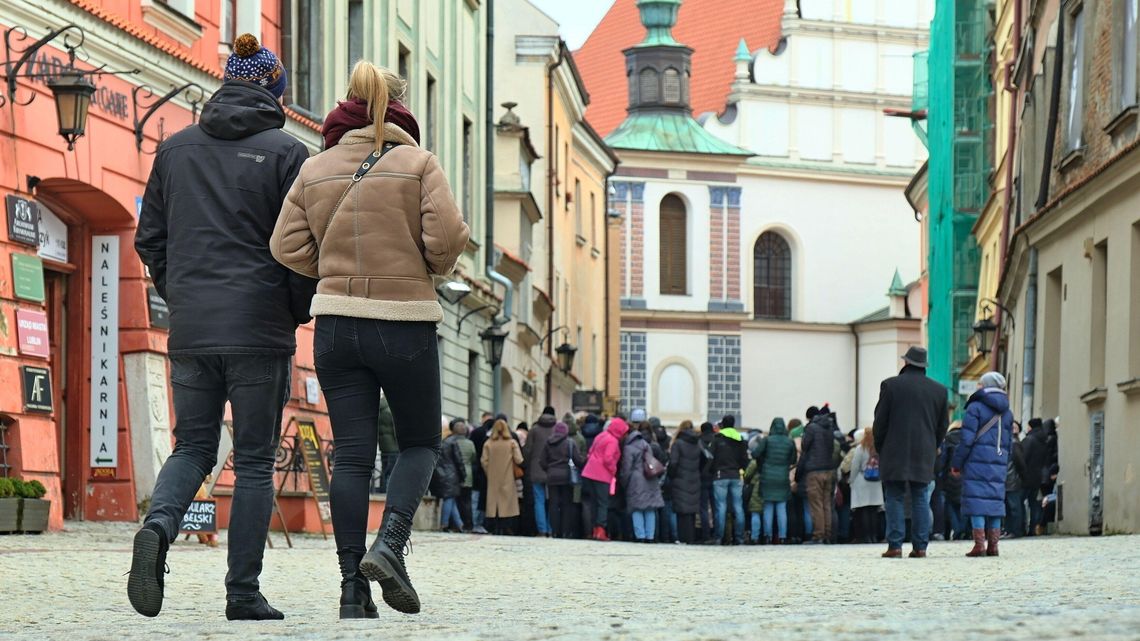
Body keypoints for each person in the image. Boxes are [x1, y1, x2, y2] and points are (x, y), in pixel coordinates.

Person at [270, 60, 468, 616]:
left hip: (335, 323)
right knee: (420, 442)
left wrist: (330, 267)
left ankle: (351, 591)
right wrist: (426, 263)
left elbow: (284, 246)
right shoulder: (418, 163)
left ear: (346, 105)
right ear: (399, 107)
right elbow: (448, 238)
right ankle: (390, 544)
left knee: (352, 456)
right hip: (403, 321)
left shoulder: (315, 167)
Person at [130, 33, 315, 621]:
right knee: (256, 459)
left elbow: (149, 238)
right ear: (273, 91)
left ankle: (158, 526)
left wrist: (180, 293)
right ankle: (242, 594)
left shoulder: (175, 149)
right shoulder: (289, 154)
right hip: (260, 329)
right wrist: (293, 305)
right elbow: (300, 248)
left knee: (193, 446)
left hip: (192, 326)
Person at [873, 346, 949, 559]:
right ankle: (920, 547)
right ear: (924, 366)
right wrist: (933, 445)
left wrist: (881, 447)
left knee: (894, 497)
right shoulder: (939, 390)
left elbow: (880, 422)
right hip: (924, 451)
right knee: (920, 497)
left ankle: (895, 545)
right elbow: (943, 425)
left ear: (906, 363)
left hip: (894, 450)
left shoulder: (890, 386)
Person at [951, 372, 1014, 557]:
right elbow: (1010, 442)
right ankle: (993, 545)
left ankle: (979, 544)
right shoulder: (1007, 412)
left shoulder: (975, 407)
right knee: (994, 500)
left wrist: (957, 462)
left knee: (976, 499)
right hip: (998, 460)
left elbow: (967, 439)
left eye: (980, 383)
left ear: (986, 386)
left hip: (976, 460)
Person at [581, 418, 630, 541]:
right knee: (603, 503)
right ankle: (601, 531)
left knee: (593, 503)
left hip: (589, 472)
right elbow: (608, 459)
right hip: (602, 475)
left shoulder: (601, 436)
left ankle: (594, 530)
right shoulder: (613, 441)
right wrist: (613, 470)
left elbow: (590, 452)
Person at [752, 418, 797, 545]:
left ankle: (768, 536)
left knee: (768, 507)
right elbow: (793, 459)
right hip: (782, 477)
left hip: (767, 476)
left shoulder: (767, 440)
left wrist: (763, 461)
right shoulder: (789, 442)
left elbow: (755, 454)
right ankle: (782, 536)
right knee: (782, 508)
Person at [620, 424, 666, 542]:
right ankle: (650, 536)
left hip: (636, 480)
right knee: (650, 508)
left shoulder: (629, 447)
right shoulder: (646, 444)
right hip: (650, 478)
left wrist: (624, 483)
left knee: (637, 508)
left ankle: (640, 535)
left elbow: (626, 468)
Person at [540, 421, 586, 538]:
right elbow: (578, 461)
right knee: (567, 505)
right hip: (567, 477)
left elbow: (542, 461)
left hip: (552, 476)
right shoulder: (570, 443)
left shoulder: (548, 443)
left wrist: (549, 469)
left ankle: (555, 531)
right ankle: (565, 531)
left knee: (553, 505)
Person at [708, 415, 749, 545]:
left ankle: (719, 537)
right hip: (736, 475)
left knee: (721, 507)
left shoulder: (717, 439)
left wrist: (711, 471)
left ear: (722, 425)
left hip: (720, 476)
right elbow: (745, 459)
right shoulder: (740, 439)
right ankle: (739, 538)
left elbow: (711, 457)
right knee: (738, 507)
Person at [801, 407, 838, 544]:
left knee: (816, 504)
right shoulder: (830, 426)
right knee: (827, 503)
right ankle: (827, 535)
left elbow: (805, 446)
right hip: (829, 469)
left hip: (814, 470)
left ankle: (818, 535)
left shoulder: (811, 428)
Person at [481, 419, 524, 535]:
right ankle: (506, 527)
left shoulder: (488, 444)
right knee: (507, 503)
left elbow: (484, 461)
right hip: (508, 476)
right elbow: (519, 459)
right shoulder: (512, 443)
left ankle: (495, 527)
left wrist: (489, 473)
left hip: (493, 478)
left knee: (494, 502)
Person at [523, 407, 558, 537]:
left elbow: (527, 451)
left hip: (536, 469)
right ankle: (550, 529)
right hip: (553, 469)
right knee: (552, 501)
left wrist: (526, 465)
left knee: (539, 500)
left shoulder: (534, 430)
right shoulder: (557, 429)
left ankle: (542, 530)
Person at [669, 421, 703, 544]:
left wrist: (671, 476)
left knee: (682, 511)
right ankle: (690, 538)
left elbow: (673, 463)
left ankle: (683, 538)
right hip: (694, 478)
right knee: (691, 511)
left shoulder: (678, 443)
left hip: (680, 479)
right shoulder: (697, 443)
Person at [849, 427, 883, 544]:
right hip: (876, 482)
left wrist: (851, 480)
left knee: (863, 510)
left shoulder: (860, 448)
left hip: (862, 481)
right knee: (873, 511)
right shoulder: (878, 448)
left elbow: (855, 466)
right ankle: (874, 536)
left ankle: (866, 536)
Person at [435, 420, 467, 532]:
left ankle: (460, 525)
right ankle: (444, 524)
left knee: (451, 499)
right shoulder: (453, 443)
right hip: (452, 474)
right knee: (449, 499)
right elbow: (459, 461)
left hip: (442, 474)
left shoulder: (441, 443)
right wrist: (464, 475)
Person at [935, 421, 965, 540]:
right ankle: (962, 530)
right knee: (963, 505)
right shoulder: (968, 440)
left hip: (949, 476)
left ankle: (957, 530)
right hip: (964, 475)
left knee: (950, 505)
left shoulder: (947, 440)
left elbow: (942, 460)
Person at [1020, 418, 1049, 535]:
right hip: (1038, 476)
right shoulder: (1044, 440)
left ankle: (1021, 527)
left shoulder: (1029, 439)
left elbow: (1023, 458)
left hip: (1026, 476)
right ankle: (1033, 528)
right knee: (1034, 503)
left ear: (1030, 427)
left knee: (1019, 502)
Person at [469, 417, 494, 534]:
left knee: (475, 498)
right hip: (483, 472)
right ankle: (478, 523)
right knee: (480, 499)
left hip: (474, 470)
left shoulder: (476, 432)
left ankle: (474, 523)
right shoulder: (487, 438)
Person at [1002, 421, 1027, 538]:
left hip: (1012, 480)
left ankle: (1015, 531)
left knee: (1014, 507)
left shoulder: (1013, 443)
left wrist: (1022, 477)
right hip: (1009, 479)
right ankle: (1010, 530)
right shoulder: (1010, 442)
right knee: (1010, 507)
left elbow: (1020, 463)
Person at [452, 421, 477, 533]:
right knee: (467, 501)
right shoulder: (470, 443)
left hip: (455, 474)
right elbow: (473, 457)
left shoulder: (452, 442)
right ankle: (469, 524)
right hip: (468, 474)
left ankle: (457, 524)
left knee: (456, 501)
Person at [697, 421, 717, 542]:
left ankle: (706, 535)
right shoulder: (717, 440)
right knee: (716, 507)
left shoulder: (698, 441)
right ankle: (717, 534)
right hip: (715, 476)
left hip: (702, 477)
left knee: (703, 508)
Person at [375, 398, 399, 494]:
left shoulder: (379, 411)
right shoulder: (390, 411)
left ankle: (382, 489)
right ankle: (390, 491)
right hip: (393, 446)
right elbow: (395, 430)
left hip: (383, 445)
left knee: (384, 469)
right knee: (392, 469)